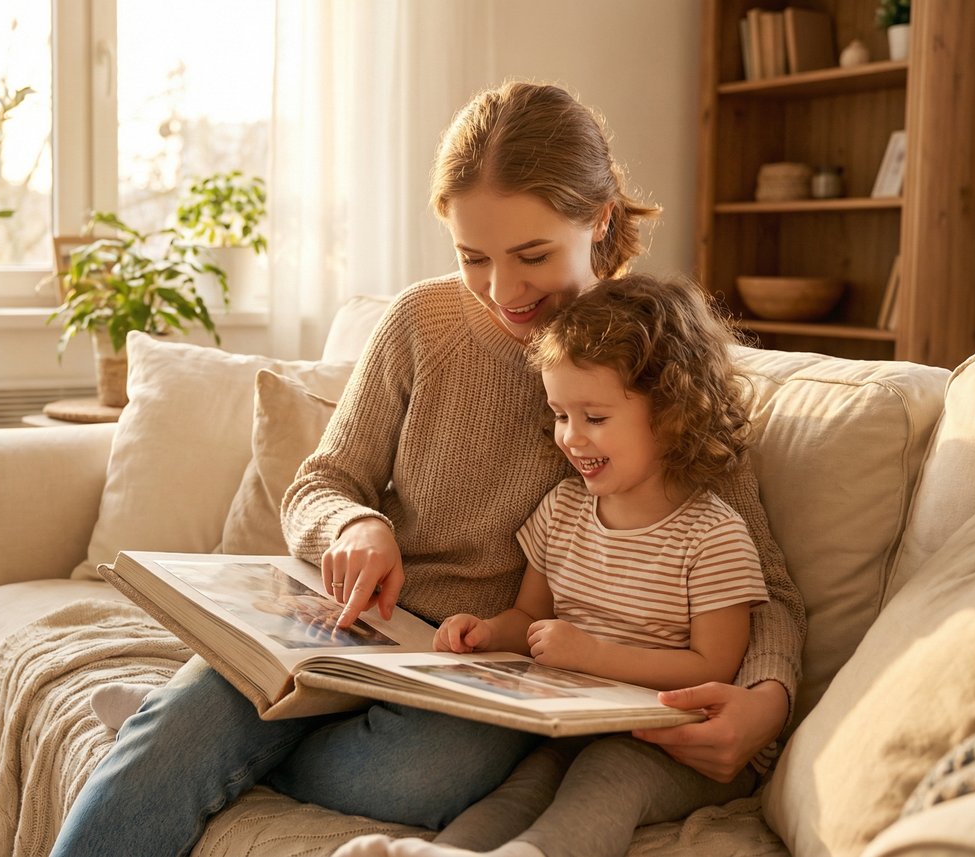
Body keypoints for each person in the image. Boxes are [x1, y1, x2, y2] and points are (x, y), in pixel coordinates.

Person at [49, 80, 805, 857]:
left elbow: (766, 585)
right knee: (179, 733)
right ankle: (183, 730)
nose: (504, 291)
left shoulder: (656, 362)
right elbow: (321, 481)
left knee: (424, 780)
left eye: (533, 255)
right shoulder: (420, 322)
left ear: (601, 217)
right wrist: (357, 522)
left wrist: (766, 704)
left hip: (477, 668)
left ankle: (217, 747)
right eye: (474, 257)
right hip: (341, 625)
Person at [333, 274, 768, 857]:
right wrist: (487, 632)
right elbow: (528, 617)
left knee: (608, 773)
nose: (571, 437)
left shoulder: (712, 536)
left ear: (671, 413)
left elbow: (714, 665)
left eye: (594, 416)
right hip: (576, 723)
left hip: (672, 739)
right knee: (526, 781)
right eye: (560, 414)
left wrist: (592, 655)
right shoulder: (562, 510)